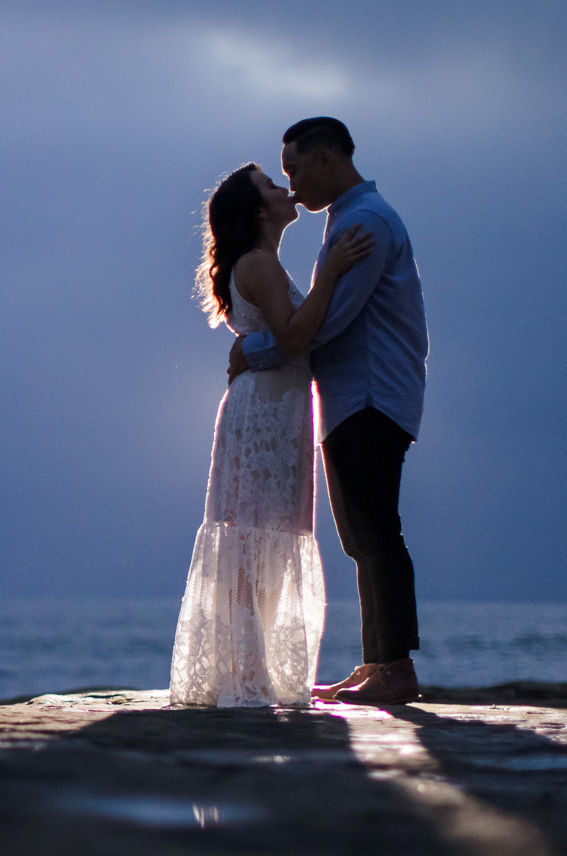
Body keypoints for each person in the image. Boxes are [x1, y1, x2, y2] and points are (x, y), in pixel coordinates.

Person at [229, 117, 430, 705]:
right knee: (363, 537)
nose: (291, 185)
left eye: (293, 168)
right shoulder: (347, 221)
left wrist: (255, 349)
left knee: (375, 532)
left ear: (325, 159)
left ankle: (395, 667)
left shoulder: (364, 222)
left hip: (369, 394)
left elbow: (332, 318)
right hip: (352, 397)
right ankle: (380, 662)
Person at [169, 162, 371, 706]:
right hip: (266, 413)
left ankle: (250, 669)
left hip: (277, 410)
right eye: (271, 186)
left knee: (268, 531)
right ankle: (247, 674)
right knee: (258, 530)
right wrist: (330, 275)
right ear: (259, 210)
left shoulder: (264, 263)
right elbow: (293, 338)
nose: (285, 191)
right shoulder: (258, 263)